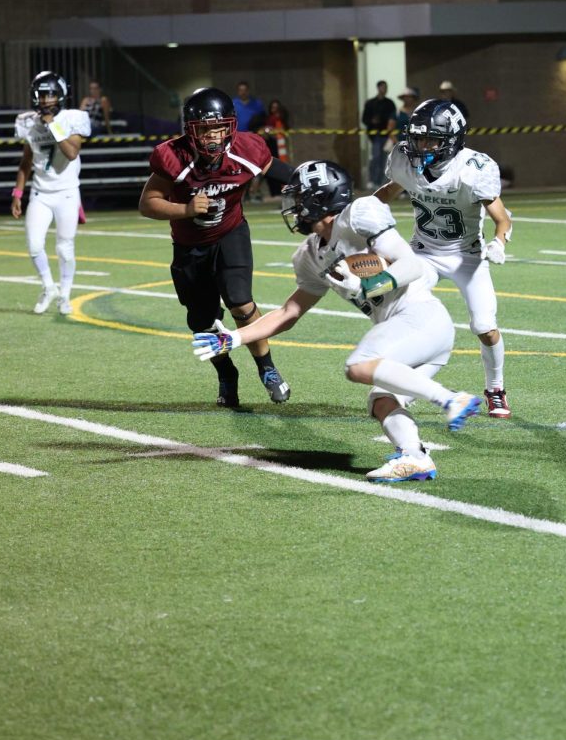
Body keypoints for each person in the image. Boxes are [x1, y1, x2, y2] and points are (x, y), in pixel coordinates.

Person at [191, 159, 483, 482]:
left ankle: (451, 398)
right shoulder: (310, 254)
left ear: (322, 198)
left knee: (358, 365)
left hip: (419, 316)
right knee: (382, 399)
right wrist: (235, 338)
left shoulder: (358, 214)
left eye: (300, 197)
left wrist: (366, 285)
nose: (293, 205)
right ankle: (414, 457)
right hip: (414, 331)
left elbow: (410, 265)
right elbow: (289, 312)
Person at [138, 87, 293, 407]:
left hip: (230, 234)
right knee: (201, 320)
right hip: (189, 245)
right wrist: (185, 210)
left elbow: (284, 174)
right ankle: (226, 373)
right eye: (205, 129)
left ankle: (268, 369)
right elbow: (147, 203)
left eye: (219, 128)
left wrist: (319, 182)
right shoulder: (173, 156)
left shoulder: (247, 149)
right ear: (191, 131)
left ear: (231, 127)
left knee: (241, 302)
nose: (213, 136)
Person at [376, 98, 513, 418]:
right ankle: (405, 387)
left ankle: (496, 388)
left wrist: (499, 242)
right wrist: (362, 215)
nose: (420, 146)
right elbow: (386, 193)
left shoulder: (473, 170)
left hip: (467, 255)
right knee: (406, 318)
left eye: (430, 139)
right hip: (423, 252)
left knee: (485, 326)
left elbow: (502, 218)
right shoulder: (404, 162)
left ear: (452, 140)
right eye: (417, 138)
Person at [11, 71, 91, 315]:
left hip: (66, 192)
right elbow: (26, 161)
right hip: (40, 193)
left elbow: (71, 153)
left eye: (50, 94)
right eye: (41, 95)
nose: (45, 100)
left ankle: (65, 295)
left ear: (61, 95)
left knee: (64, 247)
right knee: (35, 245)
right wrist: (17, 192)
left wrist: (52, 124)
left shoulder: (74, 117)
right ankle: (49, 287)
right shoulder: (27, 121)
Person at [361, 80, 397, 189]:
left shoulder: (390, 103)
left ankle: (381, 183)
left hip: (387, 136)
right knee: (376, 158)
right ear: (378, 88)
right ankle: (373, 181)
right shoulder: (370, 103)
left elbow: (393, 118)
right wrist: (372, 122)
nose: (384, 89)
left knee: (385, 160)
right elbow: (364, 119)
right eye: (382, 87)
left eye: (385, 87)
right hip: (375, 136)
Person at [258, 98, 291, 197]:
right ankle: (274, 193)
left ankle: (282, 192)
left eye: (277, 108)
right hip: (271, 148)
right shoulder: (269, 119)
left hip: (282, 151)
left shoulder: (282, 120)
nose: (275, 110)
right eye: (273, 108)